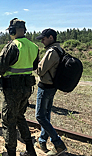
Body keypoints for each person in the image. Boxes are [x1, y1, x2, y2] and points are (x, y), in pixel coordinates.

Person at [0, 18, 39, 156]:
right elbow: (33, 66)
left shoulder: (13, 45)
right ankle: (30, 149)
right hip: (27, 88)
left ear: (12, 30)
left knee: (8, 121)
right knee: (19, 117)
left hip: (12, 89)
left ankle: (11, 153)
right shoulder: (34, 46)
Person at [35, 28, 67, 156]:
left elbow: (40, 71)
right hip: (52, 87)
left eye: (44, 38)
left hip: (45, 87)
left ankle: (58, 144)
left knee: (40, 116)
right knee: (46, 115)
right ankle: (42, 141)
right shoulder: (60, 49)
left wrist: (36, 63)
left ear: (51, 38)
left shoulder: (51, 52)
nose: (42, 41)